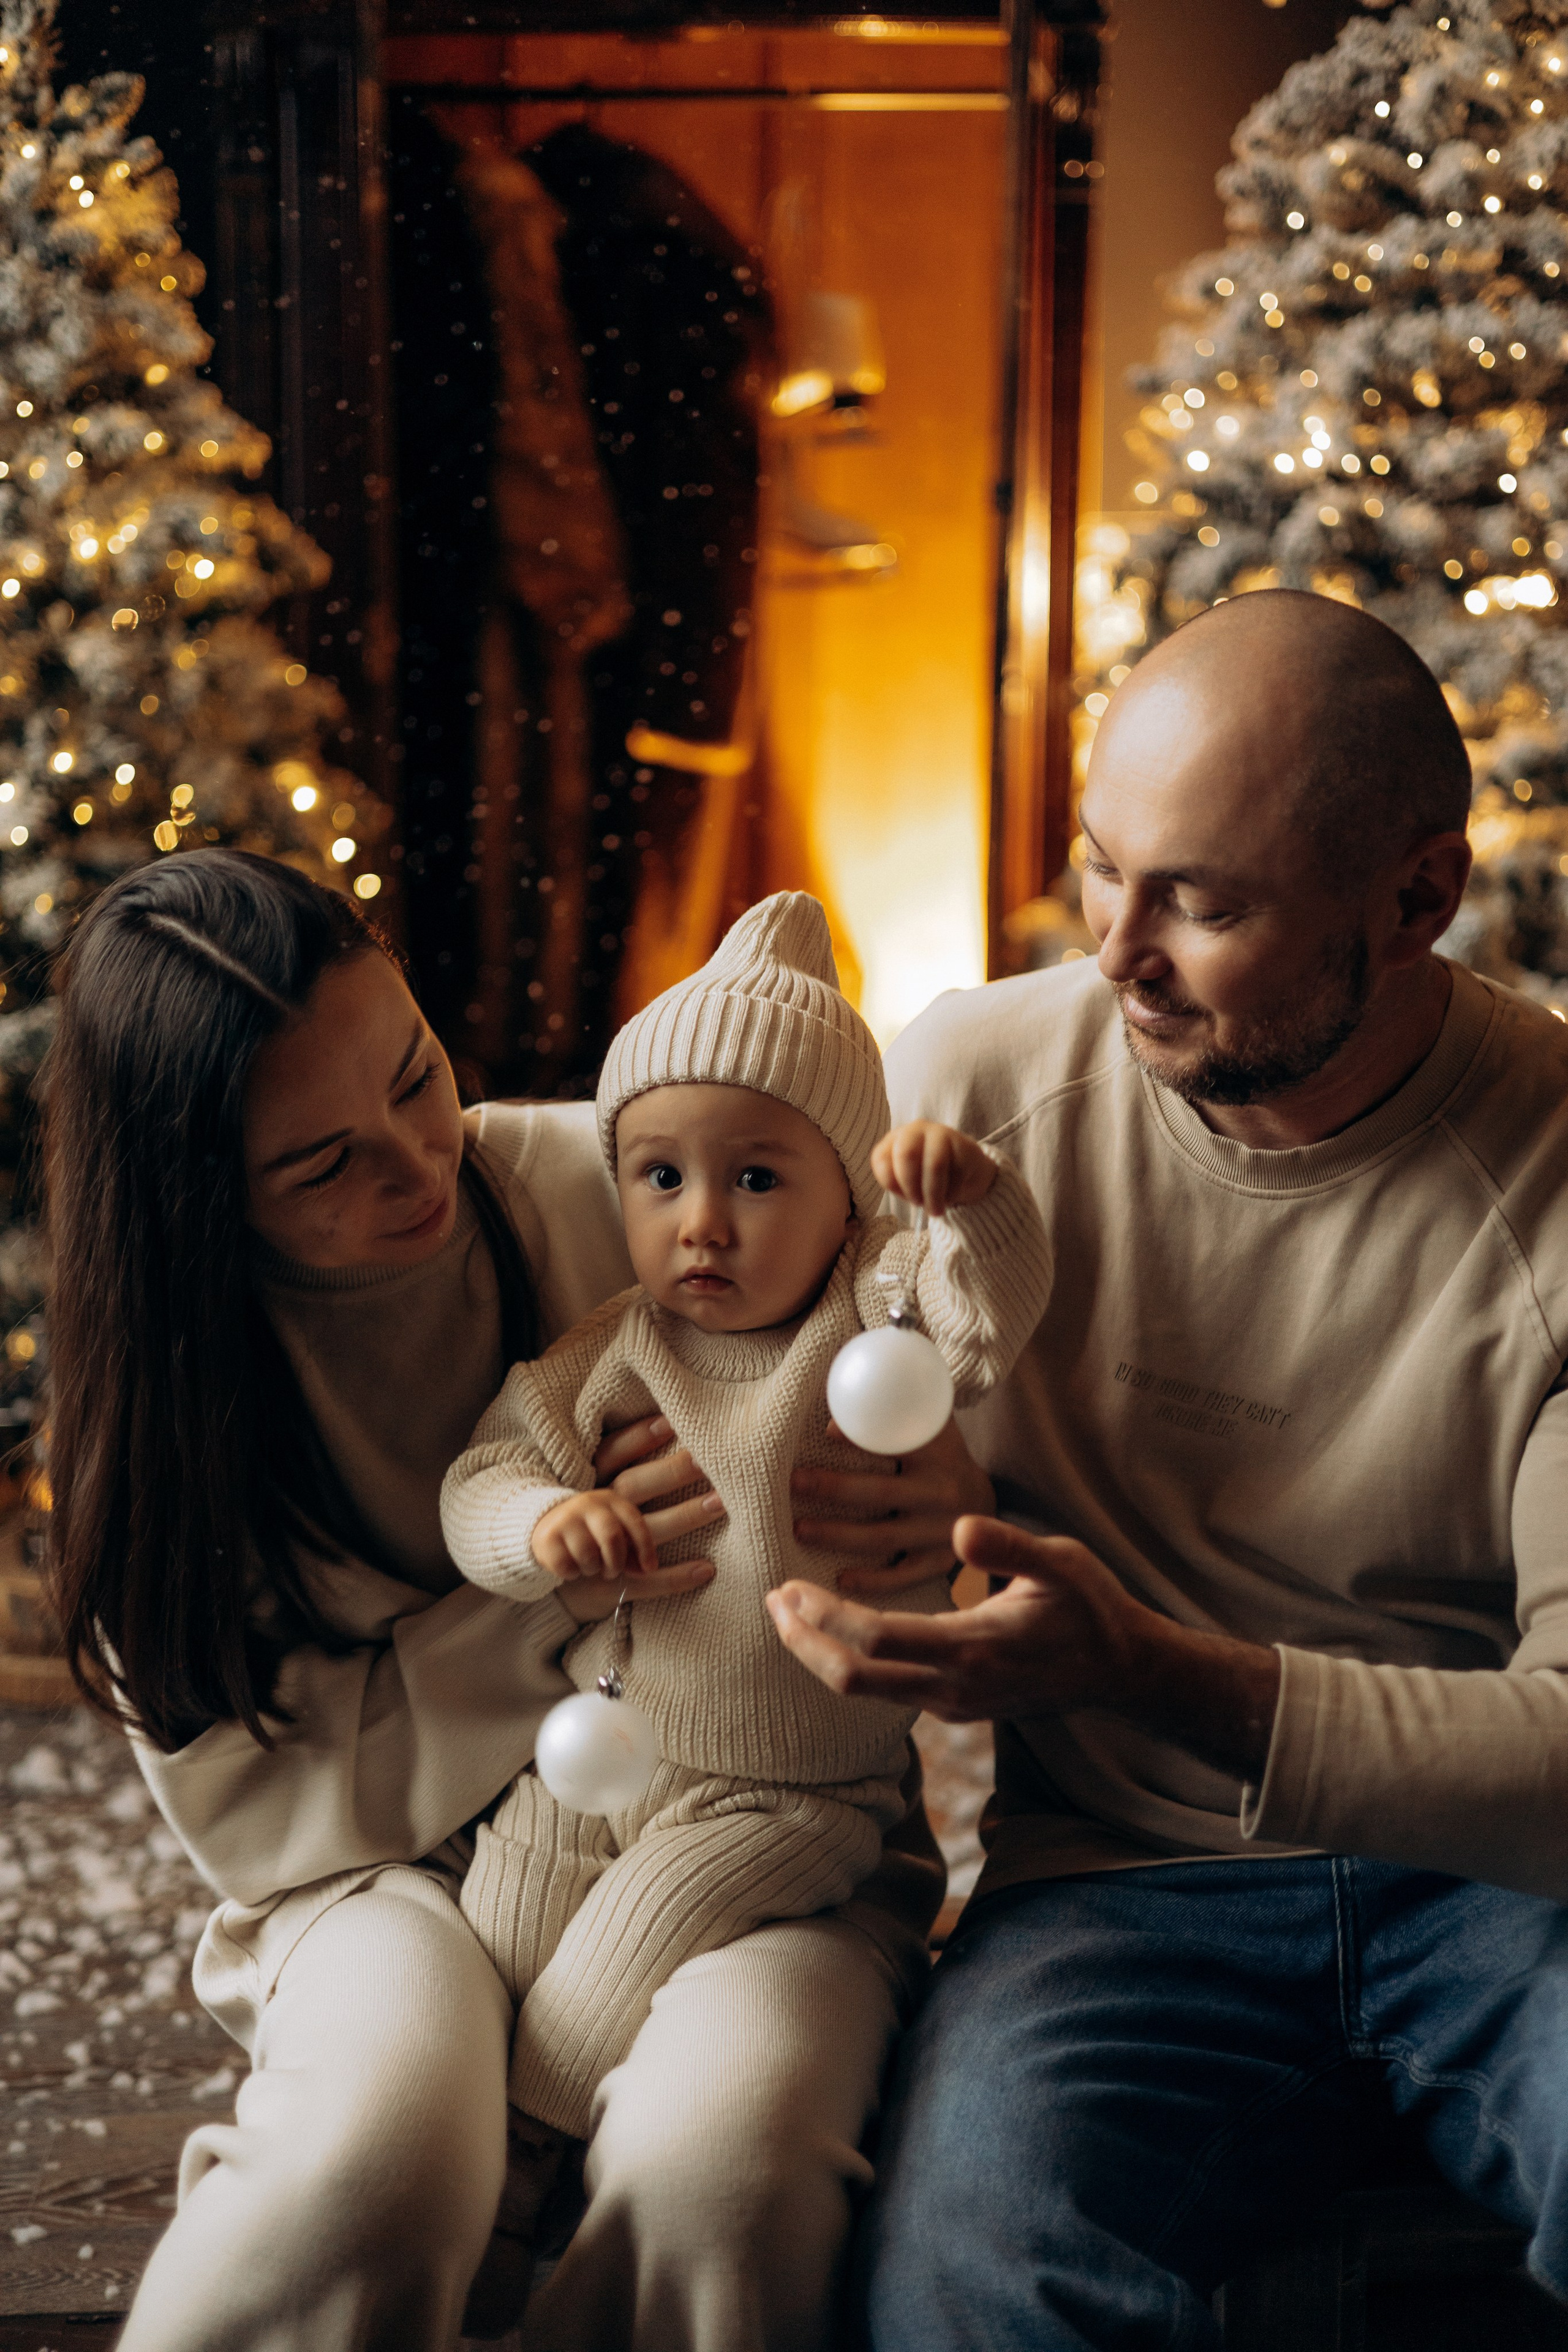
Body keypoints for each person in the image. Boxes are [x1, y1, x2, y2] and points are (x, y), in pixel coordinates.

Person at [43, 847, 986, 2352]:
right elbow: (273, 1819)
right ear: (195, 1196)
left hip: (744, 1806)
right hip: (373, 1876)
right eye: (320, 1164)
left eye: (415, 1077)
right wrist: (561, 1585)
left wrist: (946, 1485)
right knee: (371, 2168)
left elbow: (901, 1304)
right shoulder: (154, 1427)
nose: (420, 1163)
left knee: (720, 2174)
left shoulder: (611, 1177)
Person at [769, 588, 1568, 2348]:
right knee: (965, 2277)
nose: (1116, 949)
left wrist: (1137, 1667)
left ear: (1418, 901)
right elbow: (726, 1359)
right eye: (1100, 867)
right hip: (1112, 1889)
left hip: (1507, 1892)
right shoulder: (973, 1088)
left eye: (1203, 903)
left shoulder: (1555, 1170)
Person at [440, 892, 1049, 2209]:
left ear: (846, 1198)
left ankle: (525, 2189)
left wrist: (975, 1203)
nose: (700, 1224)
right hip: (604, 1750)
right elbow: (480, 1479)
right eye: (661, 1178)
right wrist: (538, 1526)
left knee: (600, 1979)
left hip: (786, 1793)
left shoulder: (866, 1325)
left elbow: (986, 1313)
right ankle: (468, 2153)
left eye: (756, 1178)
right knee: (490, 1938)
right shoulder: (610, 1350)